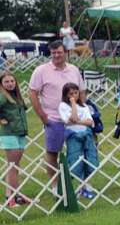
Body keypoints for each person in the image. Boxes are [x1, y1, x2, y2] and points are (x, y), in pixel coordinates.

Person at [27, 40, 82, 178]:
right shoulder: (41, 71)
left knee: (78, 152)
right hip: (53, 120)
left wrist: (81, 110)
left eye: (59, 52)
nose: (56, 55)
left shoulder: (74, 70)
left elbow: (82, 91)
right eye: (53, 53)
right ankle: (54, 186)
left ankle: (82, 185)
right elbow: (32, 93)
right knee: (52, 153)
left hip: (75, 120)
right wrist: (42, 116)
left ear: (66, 53)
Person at [58, 83, 99, 199]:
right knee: (76, 161)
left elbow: (90, 122)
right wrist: (73, 104)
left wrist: (77, 121)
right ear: (65, 95)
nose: (74, 95)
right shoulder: (63, 106)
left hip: (87, 136)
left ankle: (87, 186)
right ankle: (79, 187)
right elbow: (70, 119)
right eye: (71, 93)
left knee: (90, 160)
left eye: (76, 93)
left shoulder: (85, 106)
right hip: (73, 137)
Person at [1, 72, 30, 207]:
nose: (10, 83)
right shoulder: (2, 97)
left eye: (12, 81)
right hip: (10, 134)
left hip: (20, 133)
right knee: (13, 167)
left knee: (14, 167)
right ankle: (14, 197)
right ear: (1, 84)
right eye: (6, 81)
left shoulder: (16, 96)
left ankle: (11, 195)